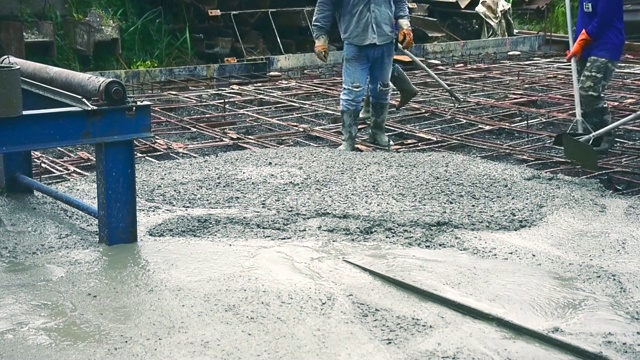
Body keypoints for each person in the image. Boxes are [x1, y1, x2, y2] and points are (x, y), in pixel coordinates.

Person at [312, 0, 413, 151]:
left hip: (384, 41)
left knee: (382, 89)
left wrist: (405, 24)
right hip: (356, 43)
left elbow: (399, 2)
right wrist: (320, 37)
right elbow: (325, 6)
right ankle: (349, 139)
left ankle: (378, 133)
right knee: (353, 93)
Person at [566, 0, 626, 153]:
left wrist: (582, 40)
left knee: (589, 90)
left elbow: (604, 19)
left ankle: (605, 134)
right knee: (581, 92)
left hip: (606, 45)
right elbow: (585, 16)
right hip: (587, 45)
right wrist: (576, 41)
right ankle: (591, 133)